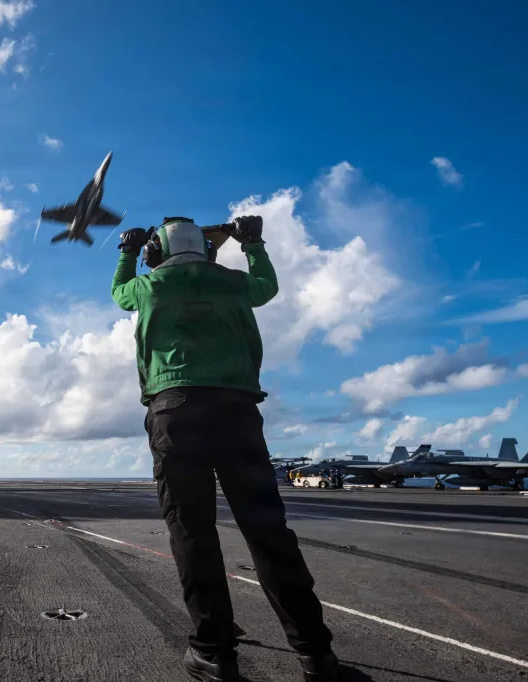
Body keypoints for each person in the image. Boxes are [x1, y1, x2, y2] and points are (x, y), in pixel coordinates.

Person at [113, 217, 338, 682]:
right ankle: (315, 653)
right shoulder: (235, 284)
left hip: (175, 410)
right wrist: (252, 242)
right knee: (267, 531)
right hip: (237, 412)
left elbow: (119, 294)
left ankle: (213, 652)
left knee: (192, 533)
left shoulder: (148, 286)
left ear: (156, 253)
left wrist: (126, 252)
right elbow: (267, 287)